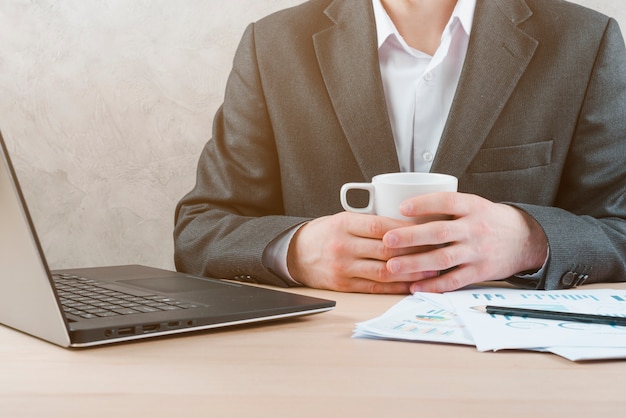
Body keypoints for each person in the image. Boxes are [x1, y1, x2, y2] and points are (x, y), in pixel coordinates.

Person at [174, 0, 626, 294]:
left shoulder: (585, 42)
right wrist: (296, 251)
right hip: (321, 365)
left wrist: (531, 241)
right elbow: (200, 230)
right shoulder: (272, 45)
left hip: (512, 372)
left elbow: (619, 225)